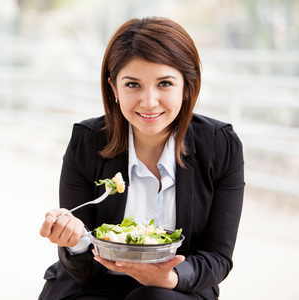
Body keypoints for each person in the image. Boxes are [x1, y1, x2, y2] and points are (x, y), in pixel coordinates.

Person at [39, 16, 244, 300]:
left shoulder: (220, 145)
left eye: (165, 83)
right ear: (114, 89)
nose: (149, 102)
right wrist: (74, 242)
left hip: (177, 288)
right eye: (133, 85)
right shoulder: (87, 141)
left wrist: (169, 277)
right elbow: (85, 270)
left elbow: (217, 257)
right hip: (92, 285)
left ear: (187, 86)